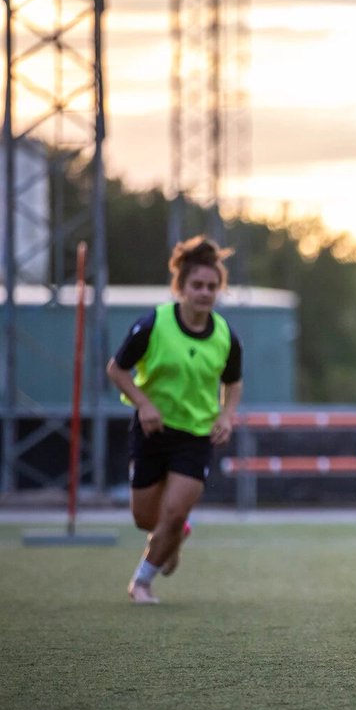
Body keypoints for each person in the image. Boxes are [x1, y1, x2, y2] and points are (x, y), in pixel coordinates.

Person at [106, 235, 243, 605]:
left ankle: (142, 582)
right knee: (146, 520)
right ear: (181, 287)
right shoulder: (154, 324)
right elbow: (117, 370)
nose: (204, 292)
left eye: (212, 287)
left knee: (175, 510)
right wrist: (143, 403)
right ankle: (173, 537)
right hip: (152, 431)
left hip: (196, 436)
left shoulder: (226, 336)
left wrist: (227, 417)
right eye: (197, 285)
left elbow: (233, 382)